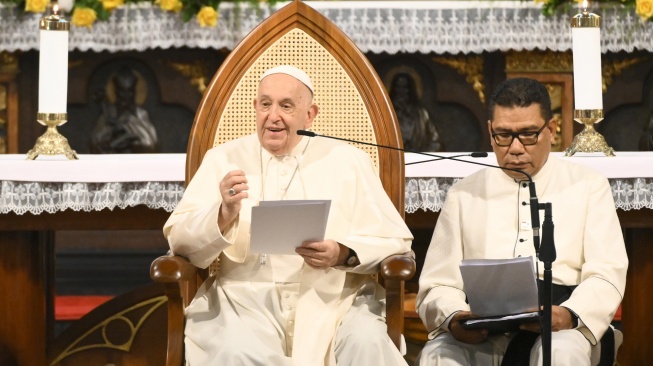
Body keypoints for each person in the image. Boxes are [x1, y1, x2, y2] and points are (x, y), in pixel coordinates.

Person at [163, 65, 413, 365]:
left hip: (335, 298)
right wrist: (223, 213)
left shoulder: (349, 161)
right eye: (266, 104)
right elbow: (179, 239)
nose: (273, 116)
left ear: (310, 114)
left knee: (366, 342)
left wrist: (342, 253)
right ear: (255, 107)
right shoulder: (223, 159)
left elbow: (395, 241)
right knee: (233, 351)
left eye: (286, 106)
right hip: (242, 301)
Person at [415, 77, 628, 365]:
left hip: (561, 320)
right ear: (490, 131)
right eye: (503, 135)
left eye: (528, 134)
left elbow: (606, 273)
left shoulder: (588, 185)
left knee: (560, 353)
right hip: (483, 325)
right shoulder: (464, 194)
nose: (515, 148)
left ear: (551, 130)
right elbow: (438, 283)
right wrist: (455, 317)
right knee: (438, 356)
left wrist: (569, 314)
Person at [91, 65, 158, 153]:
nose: (126, 97)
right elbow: (95, 143)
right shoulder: (108, 114)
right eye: (122, 92)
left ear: (134, 92)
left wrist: (133, 140)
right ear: (116, 93)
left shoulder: (141, 114)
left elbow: (150, 143)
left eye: (130, 92)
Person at [389, 72, 441, 152]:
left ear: (410, 90)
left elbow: (435, 142)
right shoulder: (385, 116)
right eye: (398, 87)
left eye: (405, 87)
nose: (401, 91)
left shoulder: (422, 115)